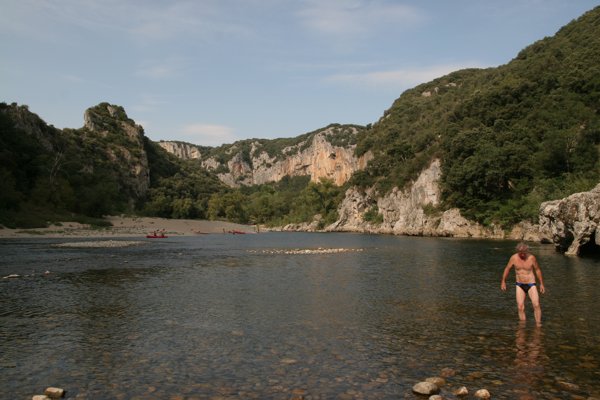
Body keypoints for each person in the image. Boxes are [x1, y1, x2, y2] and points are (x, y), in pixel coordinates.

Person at [501, 242, 546, 325]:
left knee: (536, 304)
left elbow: (537, 270)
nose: (522, 255)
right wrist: (503, 281)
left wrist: (541, 284)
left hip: (531, 284)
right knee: (520, 307)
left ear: (527, 251)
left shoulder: (531, 258)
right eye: (520, 253)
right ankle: (522, 326)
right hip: (519, 284)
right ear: (517, 251)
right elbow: (507, 268)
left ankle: (538, 325)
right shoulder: (513, 258)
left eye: (524, 253)